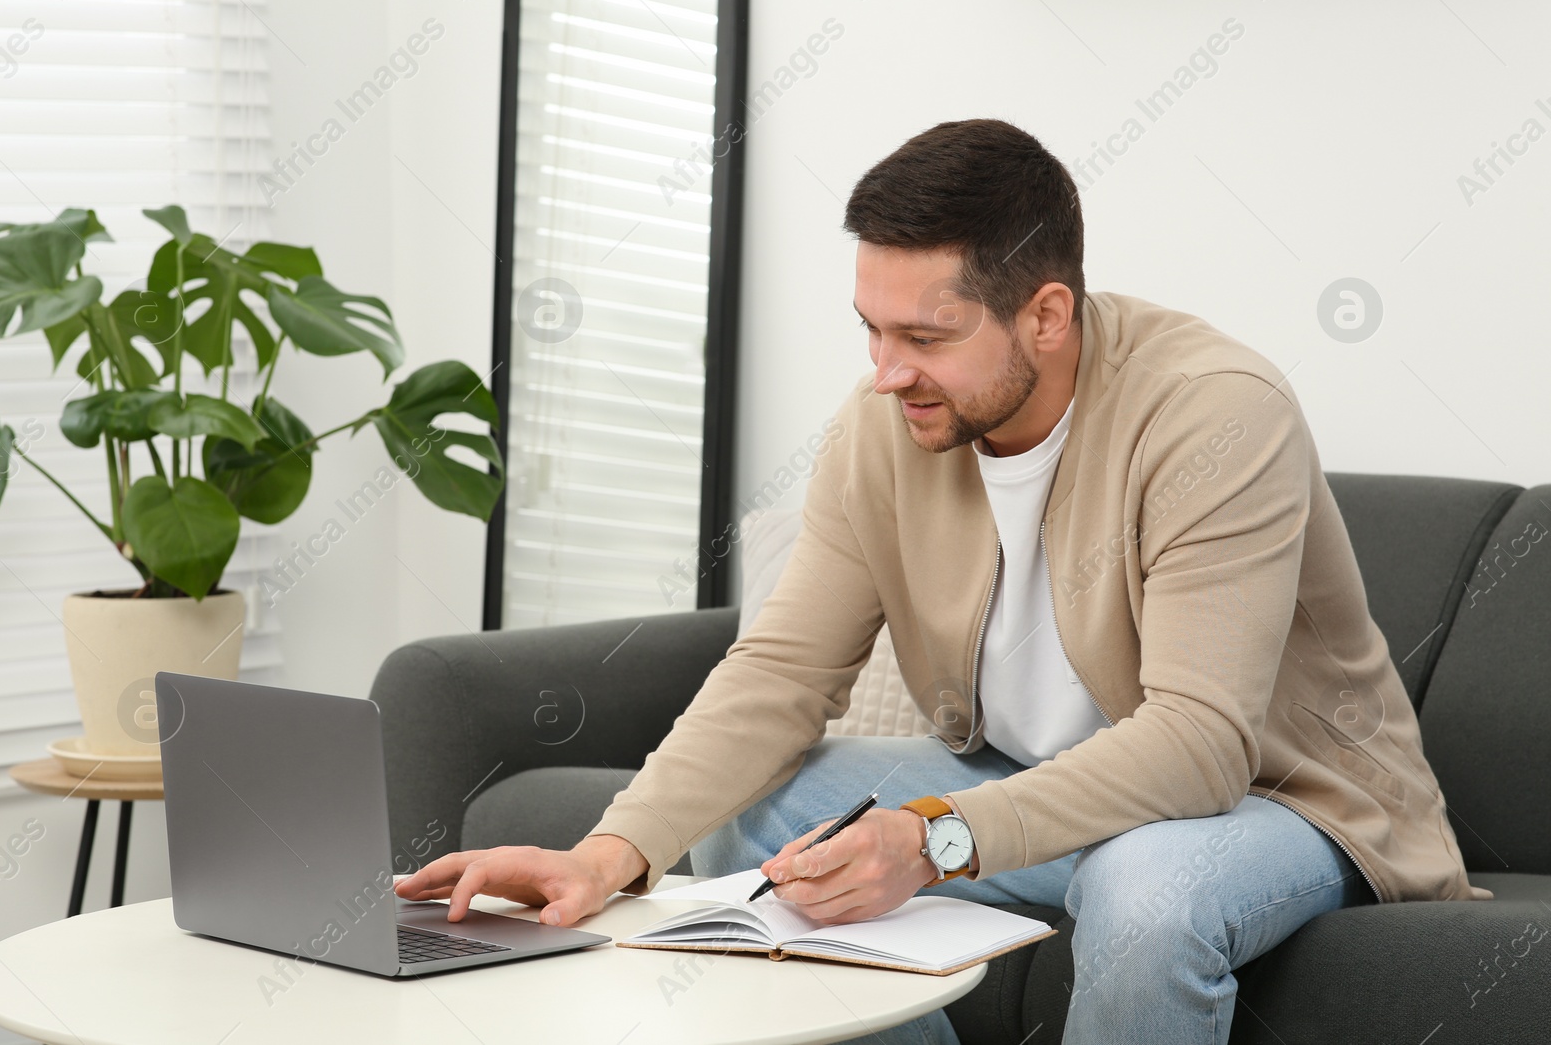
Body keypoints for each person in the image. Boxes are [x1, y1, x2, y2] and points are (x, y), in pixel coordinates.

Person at [394, 119, 1486, 1044]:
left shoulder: (1214, 412)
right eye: (872, 329)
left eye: (926, 334)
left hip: (1280, 802)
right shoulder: (885, 429)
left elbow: (1201, 742)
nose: (886, 371)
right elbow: (778, 669)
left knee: (1146, 894)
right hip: (1035, 776)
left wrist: (931, 836)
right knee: (765, 816)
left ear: (1045, 315)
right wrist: (605, 854)